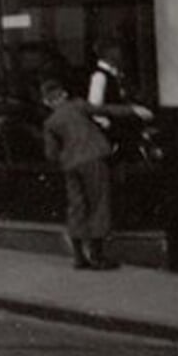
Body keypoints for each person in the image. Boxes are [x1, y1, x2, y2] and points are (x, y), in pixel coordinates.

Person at [40, 79, 153, 271]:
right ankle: (97, 256)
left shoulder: (50, 122)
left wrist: (66, 156)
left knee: (77, 206)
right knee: (99, 203)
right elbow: (105, 110)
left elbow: (50, 154)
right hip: (92, 157)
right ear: (64, 94)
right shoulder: (78, 106)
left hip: (70, 164)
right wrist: (134, 109)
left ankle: (78, 257)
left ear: (46, 102)